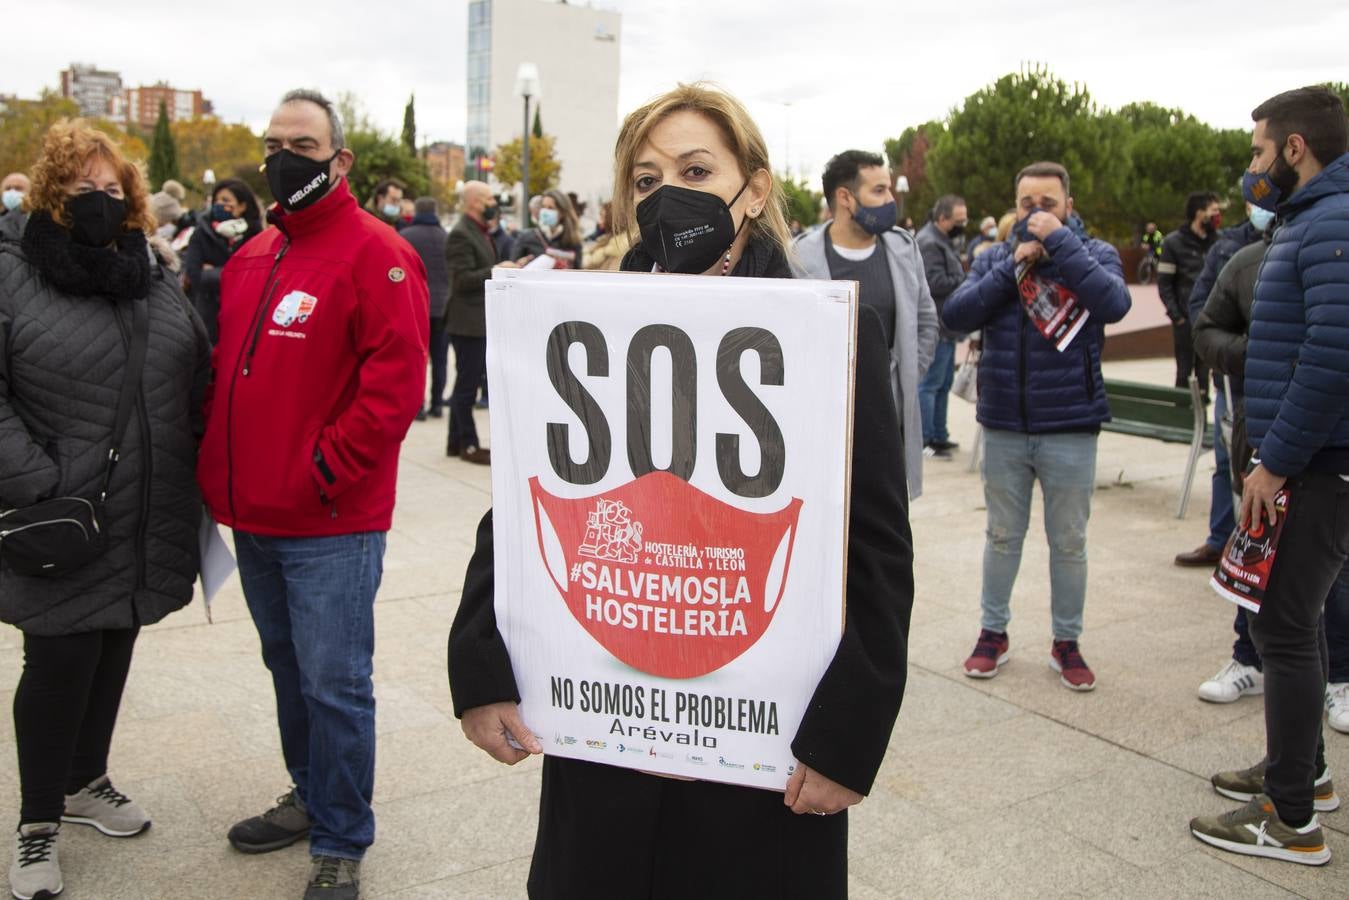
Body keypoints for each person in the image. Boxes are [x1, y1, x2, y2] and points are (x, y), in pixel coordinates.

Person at [449, 83, 913, 900]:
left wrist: (846, 738)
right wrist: (481, 664)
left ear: (754, 188)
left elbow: (874, 548)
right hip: (607, 754)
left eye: (696, 169)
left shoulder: (829, 334)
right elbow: (528, 497)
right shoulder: (581, 320)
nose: (668, 194)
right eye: (645, 178)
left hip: (761, 764)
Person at [196, 89, 429, 900]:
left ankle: (341, 836)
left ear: (339, 158)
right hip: (254, 515)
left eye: (301, 141)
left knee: (336, 681)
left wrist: (321, 469)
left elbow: (395, 389)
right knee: (287, 668)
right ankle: (311, 793)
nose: (281, 156)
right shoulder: (253, 256)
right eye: (272, 142)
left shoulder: (379, 253)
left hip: (331, 522)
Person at [0, 120, 210, 900]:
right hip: (60, 505)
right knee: (57, 658)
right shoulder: (12, 268)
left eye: (111, 188)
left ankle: (87, 781)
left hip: (141, 505)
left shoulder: (148, 273)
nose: (99, 200)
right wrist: (38, 480)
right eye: (82, 188)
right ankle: (36, 825)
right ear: (52, 191)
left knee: (114, 641)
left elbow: (191, 368)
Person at [1189, 85, 1349, 866]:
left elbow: (1330, 360)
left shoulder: (1329, 224)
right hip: (1309, 461)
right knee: (1294, 622)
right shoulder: (1309, 220)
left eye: (1257, 150)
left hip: (1316, 466)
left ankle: (1289, 820)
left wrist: (1273, 462)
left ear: (1293, 149)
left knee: (1281, 628)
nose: (1248, 167)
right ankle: (1303, 773)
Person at [943, 161, 1131, 692]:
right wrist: (1013, 266)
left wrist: (1061, 246)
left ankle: (1066, 642)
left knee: (1068, 541)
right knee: (1002, 536)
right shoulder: (993, 258)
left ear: (1068, 206)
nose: (1037, 213)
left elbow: (1114, 303)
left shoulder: (1094, 255)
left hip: (1071, 424)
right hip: (1004, 423)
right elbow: (957, 313)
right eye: (1027, 204)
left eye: (1048, 203)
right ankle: (992, 633)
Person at [793, 150, 938, 499]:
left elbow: (926, 320)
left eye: (888, 189)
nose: (890, 200)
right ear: (846, 198)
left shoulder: (904, 249)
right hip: (825, 421)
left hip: (889, 417)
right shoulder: (798, 257)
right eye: (879, 191)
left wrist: (908, 372)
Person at [1172, 203, 1272, 572]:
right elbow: (1203, 309)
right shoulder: (1229, 248)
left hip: (1283, 392)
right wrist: (1241, 351)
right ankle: (1222, 541)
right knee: (1228, 464)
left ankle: (1253, 555)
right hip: (1234, 384)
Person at [445, 181, 519, 464]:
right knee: (467, 385)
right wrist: (495, 270)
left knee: (466, 382)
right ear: (474, 201)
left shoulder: (479, 232)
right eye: (488, 197)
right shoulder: (461, 234)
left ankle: (455, 442)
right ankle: (468, 444)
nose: (493, 202)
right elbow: (462, 279)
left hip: (476, 320)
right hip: (467, 322)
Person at [915, 194, 969, 461]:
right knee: (931, 383)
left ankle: (939, 434)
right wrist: (963, 279)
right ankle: (926, 439)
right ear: (942, 218)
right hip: (937, 324)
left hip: (948, 325)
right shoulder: (929, 242)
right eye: (958, 220)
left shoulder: (943, 240)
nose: (963, 224)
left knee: (944, 382)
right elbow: (933, 282)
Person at [182, 179, 263, 344]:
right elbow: (194, 275)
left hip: (244, 316)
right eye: (216, 200)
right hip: (207, 317)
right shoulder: (201, 233)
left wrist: (212, 272)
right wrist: (232, 272)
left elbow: (256, 277)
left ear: (242, 206)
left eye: (226, 200)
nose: (219, 204)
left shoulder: (256, 236)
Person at [1158, 192, 1220, 396]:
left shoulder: (1218, 242)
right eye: (1214, 211)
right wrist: (1177, 317)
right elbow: (1164, 284)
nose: (1217, 215)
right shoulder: (1173, 243)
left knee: (1205, 373)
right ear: (1199, 213)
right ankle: (1181, 419)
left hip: (1210, 320)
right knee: (1183, 372)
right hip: (1184, 321)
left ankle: (1200, 419)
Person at [400, 197, 451, 419]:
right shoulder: (446, 238)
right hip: (443, 306)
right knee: (440, 358)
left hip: (417, 305)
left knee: (419, 357)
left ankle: (418, 406)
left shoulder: (405, 237)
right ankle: (437, 403)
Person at [512, 188, 584, 269]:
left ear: (562, 212)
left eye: (550, 208)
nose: (545, 211)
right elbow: (513, 268)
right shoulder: (526, 237)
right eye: (543, 207)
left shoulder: (573, 241)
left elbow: (578, 271)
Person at [582, 200, 631, 272]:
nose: (599, 221)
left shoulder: (616, 246)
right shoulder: (608, 239)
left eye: (602, 216)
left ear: (611, 218)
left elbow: (586, 263)